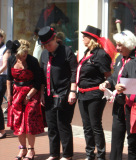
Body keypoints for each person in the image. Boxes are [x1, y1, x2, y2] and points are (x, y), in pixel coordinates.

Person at [38, 26, 77, 160]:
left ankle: (67, 155)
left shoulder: (67, 51)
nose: (47, 47)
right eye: (45, 45)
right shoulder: (44, 54)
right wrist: (42, 93)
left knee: (63, 124)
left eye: (49, 44)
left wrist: (73, 91)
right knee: (52, 126)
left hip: (64, 93)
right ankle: (54, 153)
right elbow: (42, 75)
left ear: (55, 39)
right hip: (49, 94)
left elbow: (74, 72)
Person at [99, 30, 136, 160]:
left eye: (120, 45)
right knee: (116, 138)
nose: (117, 48)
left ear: (128, 44)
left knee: (133, 140)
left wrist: (123, 88)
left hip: (131, 105)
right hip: (118, 104)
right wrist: (107, 83)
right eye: (117, 45)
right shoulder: (120, 59)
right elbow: (114, 77)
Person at [76, 25, 113, 160]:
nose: (83, 38)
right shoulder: (86, 52)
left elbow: (108, 75)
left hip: (95, 94)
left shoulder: (101, 54)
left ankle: (101, 155)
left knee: (95, 125)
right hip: (82, 94)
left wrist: (107, 87)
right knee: (86, 126)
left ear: (92, 38)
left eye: (85, 36)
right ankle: (89, 154)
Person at [7, 39, 44, 160]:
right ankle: (22, 148)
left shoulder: (33, 61)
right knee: (18, 121)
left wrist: (28, 96)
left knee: (29, 120)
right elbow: (9, 79)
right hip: (16, 92)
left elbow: (38, 82)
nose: (23, 58)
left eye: (25, 55)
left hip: (31, 92)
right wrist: (9, 94)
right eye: (21, 56)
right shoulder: (11, 59)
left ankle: (31, 149)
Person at [0, 29, 11, 139]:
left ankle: (2, 131)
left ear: (2, 37)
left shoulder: (6, 50)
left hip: (2, 78)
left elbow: (4, 66)